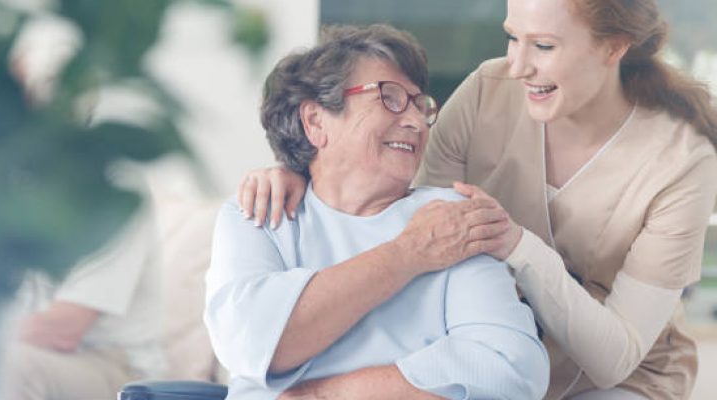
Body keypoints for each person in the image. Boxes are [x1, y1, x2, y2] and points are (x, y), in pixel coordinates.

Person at [235, 1, 717, 399]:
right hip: (489, 362)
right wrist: (302, 167)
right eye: (513, 37)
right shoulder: (490, 91)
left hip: (615, 380)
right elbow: (405, 210)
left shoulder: (682, 161)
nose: (517, 64)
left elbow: (615, 358)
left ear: (614, 48)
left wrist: (517, 246)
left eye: (543, 46)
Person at [204, 24, 549, 400]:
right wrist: (409, 253)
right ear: (316, 121)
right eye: (391, 97)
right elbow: (249, 341)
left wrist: (326, 395)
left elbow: (512, 369)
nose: (416, 122)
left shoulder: (452, 219)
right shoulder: (260, 213)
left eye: (421, 105)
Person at [4, 210, 168, 400]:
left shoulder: (115, 202)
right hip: (49, 355)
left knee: (13, 367)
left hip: (120, 369)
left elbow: (62, 330)